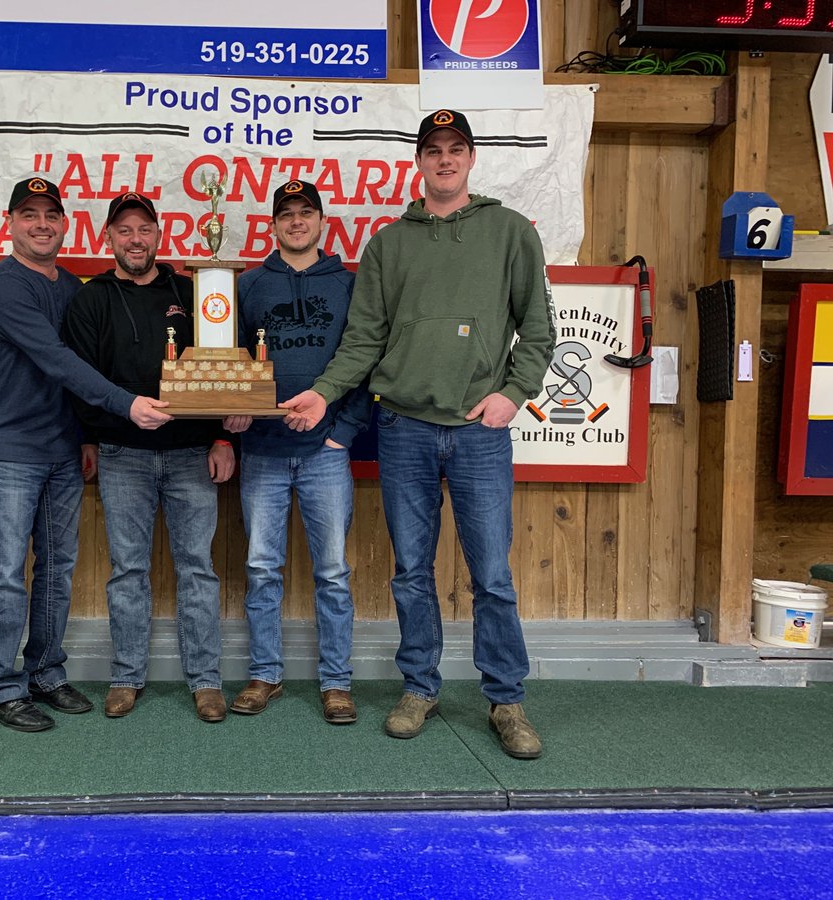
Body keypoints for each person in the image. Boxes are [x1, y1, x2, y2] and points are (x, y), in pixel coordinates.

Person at [280, 110, 555, 759]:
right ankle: (420, 687)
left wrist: (511, 395)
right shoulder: (387, 245)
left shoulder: (510, 234)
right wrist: (322, 392)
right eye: (433, 150)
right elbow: (364, 338)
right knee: (410, 573)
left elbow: (538, 331)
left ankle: (506, 700)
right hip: (402, 428)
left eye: (455, 148)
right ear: (420, 162)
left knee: (491, 573)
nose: (445, 159)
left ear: (470, 158)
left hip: (478, 434)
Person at [0, 176, 172, 733]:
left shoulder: (72, 288)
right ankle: (0, 687)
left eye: (51, 215)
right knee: (9, 573)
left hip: (63, 451)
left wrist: (86, 435)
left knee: (57, 570)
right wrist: (126, 405)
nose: (41, 225)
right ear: (9, 223)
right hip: (12, 451)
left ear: (66, 224)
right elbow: (58, 361)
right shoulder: (3, 288)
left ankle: (45, 673)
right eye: (29, 215)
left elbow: (83, 369)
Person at [62, 191, 235, 724]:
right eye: (124, 230)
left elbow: (223, 367)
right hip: (122, 457)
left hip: (191, 454)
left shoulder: (192, 290)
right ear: (108, 237)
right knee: (128, 571)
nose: (135, 239)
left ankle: (206, 681)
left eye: (144, 229)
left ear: (160, 234)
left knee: (199, 570)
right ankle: (126, 676)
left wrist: (226, 438)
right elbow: (81, 380)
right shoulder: (90, 300)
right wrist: (89, 438)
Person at [223, 180, 371, 725]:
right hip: (261, 449)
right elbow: (229, 357)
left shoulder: (349, 286)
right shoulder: (249, 286)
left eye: (304, 211)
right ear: (274, 225)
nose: (295, 221)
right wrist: (229, 417)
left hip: (325, 453)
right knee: (262, 567)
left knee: (332, 571)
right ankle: (265, 674)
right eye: (285, 214)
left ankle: (336, 683)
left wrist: (345, 431)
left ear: (321, 220)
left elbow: (366, 360)